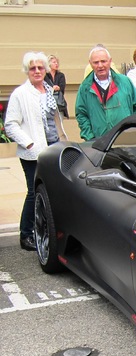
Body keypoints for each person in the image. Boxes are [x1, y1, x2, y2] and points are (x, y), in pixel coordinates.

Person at [5, 52, 67, 251]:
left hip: (52, 148)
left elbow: (54, 119)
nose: (37, 71)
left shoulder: (49, 90)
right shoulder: (20, 94)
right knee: (33, 192)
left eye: (41, 67)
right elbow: (10, 125)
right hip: (33, 153)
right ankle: (26, 234)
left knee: (49, 191)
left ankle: (45, 229)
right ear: (27, 71)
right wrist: (29, 143)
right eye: (33, 68)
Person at [76, 45, 136, 141]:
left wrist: (133, 131)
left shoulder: (125, 82)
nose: (100, 66)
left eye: (103, 61)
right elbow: (81, 114)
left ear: (110, 61)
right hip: (99, 143)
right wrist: (90, 137)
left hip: (126, 141)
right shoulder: (85, 87)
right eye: (96, 62)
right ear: (90, 64)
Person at [45, 55, 69, 119]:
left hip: (58, 104)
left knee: (59, 123)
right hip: (47, 103)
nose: (56, 64)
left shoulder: (60, 75)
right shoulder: (45, 76)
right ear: (49, 64)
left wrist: (58, 88)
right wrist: (52, 88)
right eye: (54, 62)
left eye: (57, 62)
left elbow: (62, 88)